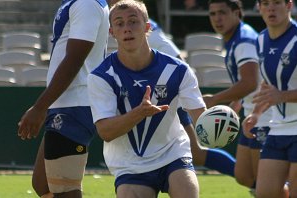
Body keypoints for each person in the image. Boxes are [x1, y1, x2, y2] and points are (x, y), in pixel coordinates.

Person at [87, 0, 206, 197]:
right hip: (130, 164)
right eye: (119, 23)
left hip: (172, 154)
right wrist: (139, 113)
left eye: (133, 21)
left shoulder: (178, 70)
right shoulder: (101, 76)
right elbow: (105, 131)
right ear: (111, 32)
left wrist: (221, 121)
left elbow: (200, 117)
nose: (127, 28)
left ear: (147, 27)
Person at [108, 0, 236, 177]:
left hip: (167, 97)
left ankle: (254, 181)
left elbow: (177, 59)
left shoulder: (144, 26)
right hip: (149, 97)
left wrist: (173, 88)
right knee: (196, 153)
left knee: (196, 152)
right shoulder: (118, 21)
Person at [17, 0, 109, 197]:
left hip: (75, 103)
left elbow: (74, 60)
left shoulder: (86, 3)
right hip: (67, 102)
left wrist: (40, 107)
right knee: (43, 184)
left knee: (65, 190)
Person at [205, 0, 272, 193]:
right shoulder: (236, 38)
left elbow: (250, 82)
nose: (217, 18)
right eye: (213, 14)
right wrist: (238, 102)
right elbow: (254, 79)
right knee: (244, 176)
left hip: (266, 115)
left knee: (264, 183)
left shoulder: (243, 41)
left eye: (222, 13)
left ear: (236, 13)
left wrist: (215, 99)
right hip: (252, 114)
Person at [243, 0, 297, 197]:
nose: (271, 8)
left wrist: (282, 96)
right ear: (259, 7)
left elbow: (278, 93)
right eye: (265, 3)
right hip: (278, 128)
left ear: (289, 5)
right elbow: (268, 85)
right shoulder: (261, 39)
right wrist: (256, 114)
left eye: (276, 2)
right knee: (264, 193)